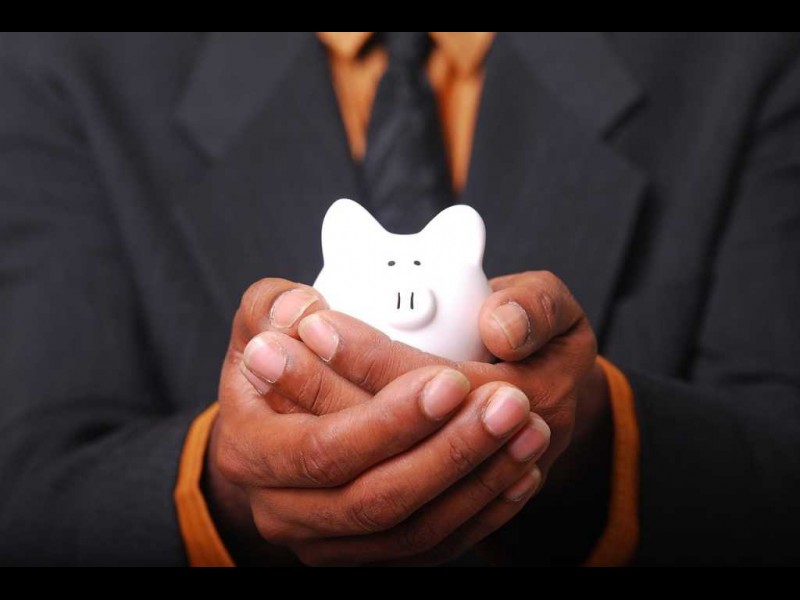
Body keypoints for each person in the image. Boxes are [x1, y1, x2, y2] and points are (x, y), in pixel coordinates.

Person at [0, 32, 798, 567]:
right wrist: (227, 485)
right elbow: (30, 495)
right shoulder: (66, 62)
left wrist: (599, 429)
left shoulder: (741, 57)